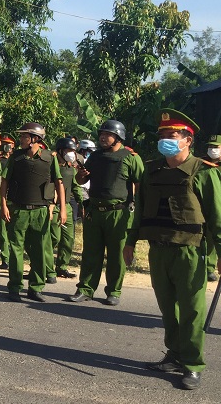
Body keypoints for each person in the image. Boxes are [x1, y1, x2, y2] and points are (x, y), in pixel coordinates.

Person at [124, 109, 221, 390]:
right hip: (158, 250)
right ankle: (174, 355)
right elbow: (139, 210)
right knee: (168, 309)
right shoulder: (152, 170)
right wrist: (130, 242)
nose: (166, 139)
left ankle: (192, 365)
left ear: (188, 140)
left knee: (192, 311)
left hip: (190, 251)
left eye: (173, 135)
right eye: (162, 135)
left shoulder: (203, 172)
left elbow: (216, 217)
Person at [69, 120, 143, 306]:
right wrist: (81, 175)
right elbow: (79, 180)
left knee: (117, 255)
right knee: (90, 253)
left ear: (118, 137)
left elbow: (141, 184)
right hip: (95, 212)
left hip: (119, 213)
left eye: (107, 134)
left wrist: (139, 209)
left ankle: (114, 291)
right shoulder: (95, 156)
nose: (102, 137)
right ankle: (85, 289)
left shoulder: (130, 157)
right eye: (101, 133)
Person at [0, 122, 66, 302]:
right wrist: (4, 205)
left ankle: (36, 288)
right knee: (15, 250)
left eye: (24, 136)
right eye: (21, 136)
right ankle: (14, 287)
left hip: (41, 211)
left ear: (35, 139)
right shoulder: (16, 157)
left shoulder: (50, 158)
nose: (20, 139)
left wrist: (62, 210)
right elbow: (5, 181)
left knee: (38, 250)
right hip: (18, 210)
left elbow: (59, 183)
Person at [44, 137, 84, 281]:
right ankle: (46, 268)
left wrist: (82, 203)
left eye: (73, 151)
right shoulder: (50, 166)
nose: (71, 154)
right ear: (60, 151)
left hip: (66, 205)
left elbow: (75, 187)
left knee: (68, 239)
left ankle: (61, 267)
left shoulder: (70, 168)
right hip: (53, 206)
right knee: (54, 237)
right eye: (68, 150)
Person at [202, 134, 220, 281]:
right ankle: (206, 267)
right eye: (210, 146)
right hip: (205, 204)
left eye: (216, 147)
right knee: (206, 236)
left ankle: (210, 266)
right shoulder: (202, 164)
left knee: (215, 238)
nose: (212, 149)